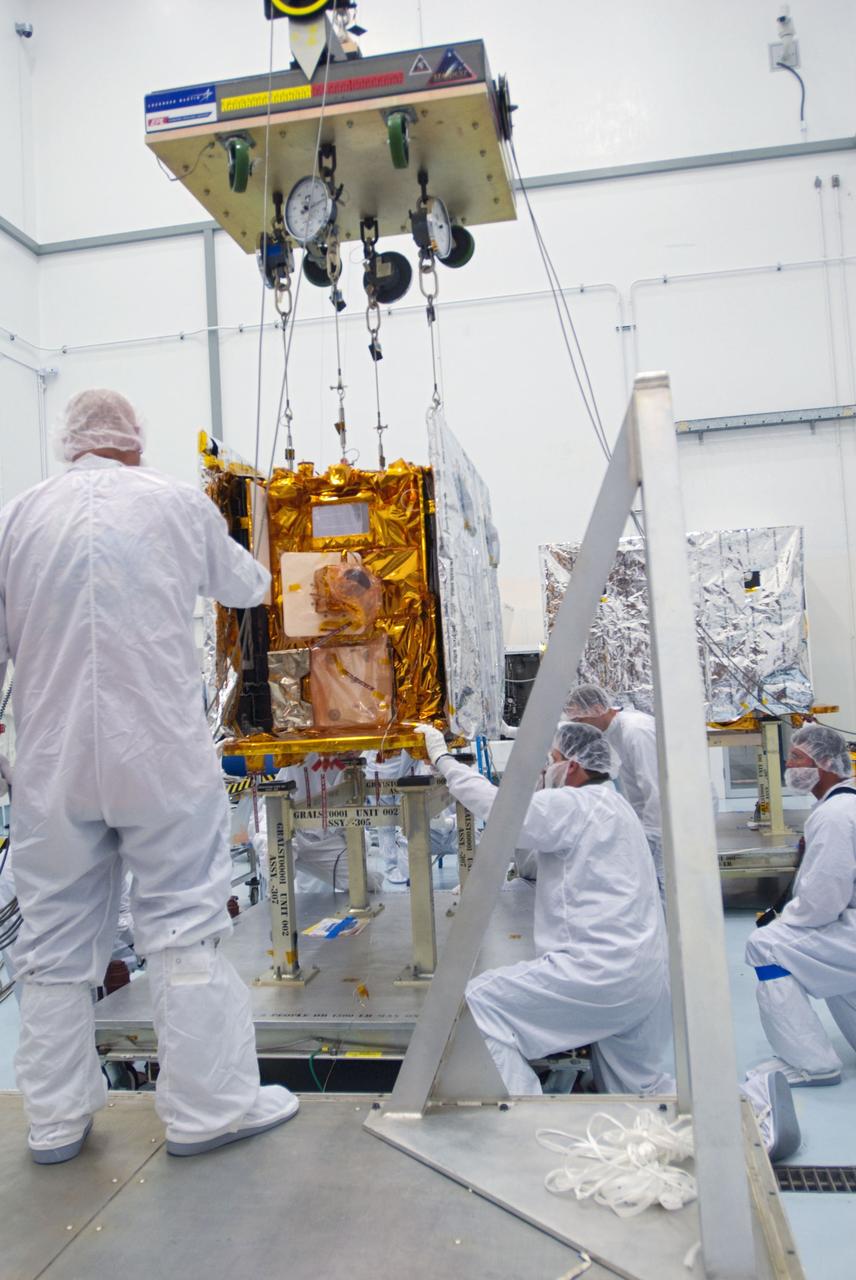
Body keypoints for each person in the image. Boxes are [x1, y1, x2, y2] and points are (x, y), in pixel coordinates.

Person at [1, 389, 298, 1164]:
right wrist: (255, 512)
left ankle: (56, 1123)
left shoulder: (17, 517)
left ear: (70, 443)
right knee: (183, 926)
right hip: (158, 754)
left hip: (52, 764)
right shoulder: (175, 504)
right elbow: (251, 586)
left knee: (53, 944)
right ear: (135, 440)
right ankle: (208, 1111)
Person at [415, 720, 674, 1096]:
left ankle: (528, 1121)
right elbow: (541, 859)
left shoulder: (576, 804)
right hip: (645, 976)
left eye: (551, 760)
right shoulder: (614, 804)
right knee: (639, 1091)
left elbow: (499, 810)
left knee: (475, 1005)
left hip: (599, 975)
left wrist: (444, 760)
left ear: (572, 766)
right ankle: (734, 1128)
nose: (544, 769)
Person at [745, 723, 856, 1086]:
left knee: (766, 945)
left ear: (824, 763)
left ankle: (813, 1065)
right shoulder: (847, 801)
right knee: (822, 951)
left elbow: (822, 901)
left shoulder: (834, 815)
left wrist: (781, 920)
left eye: (796, 758)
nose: (789, 766)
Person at [563, 684, 665, 897]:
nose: (579, 727)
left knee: (665, 888)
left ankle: (672, 930)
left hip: (672, 822)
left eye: (580, 721)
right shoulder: (609, 731)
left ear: (598, 708)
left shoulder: (637, 731)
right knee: (652, 887)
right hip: (652, 820)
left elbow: (657, 790)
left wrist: (651, 840)